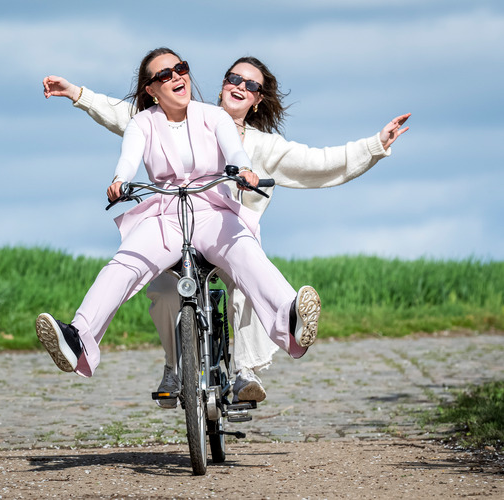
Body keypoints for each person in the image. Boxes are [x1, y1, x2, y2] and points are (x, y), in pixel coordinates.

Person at [42, 56, 410, 403]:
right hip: (172, 221)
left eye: (250, 85)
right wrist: (79, 96)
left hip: (226, 227)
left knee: (246, 273)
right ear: (220, 84)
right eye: (233, 78)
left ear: (257, 100)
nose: (239, 85)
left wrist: (374, 145)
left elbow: (320, 163)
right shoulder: (180, 113)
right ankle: (150, 359)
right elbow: (132, 120)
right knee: (152, 281)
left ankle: (253, 359)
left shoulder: (260, 143)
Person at [36, 47, 321, 382]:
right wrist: (119, 181)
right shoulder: (142, 123)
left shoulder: (213, 116)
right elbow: (129, 158)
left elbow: (234, 149)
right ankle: (79, 338)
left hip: (212, 209)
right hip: (165, 214)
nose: (176, 77)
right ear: (151, 90)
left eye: (180, 69)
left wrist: (244, 170)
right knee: (124, 264)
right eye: (164, 75)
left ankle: (291, 318)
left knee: (247, 253)